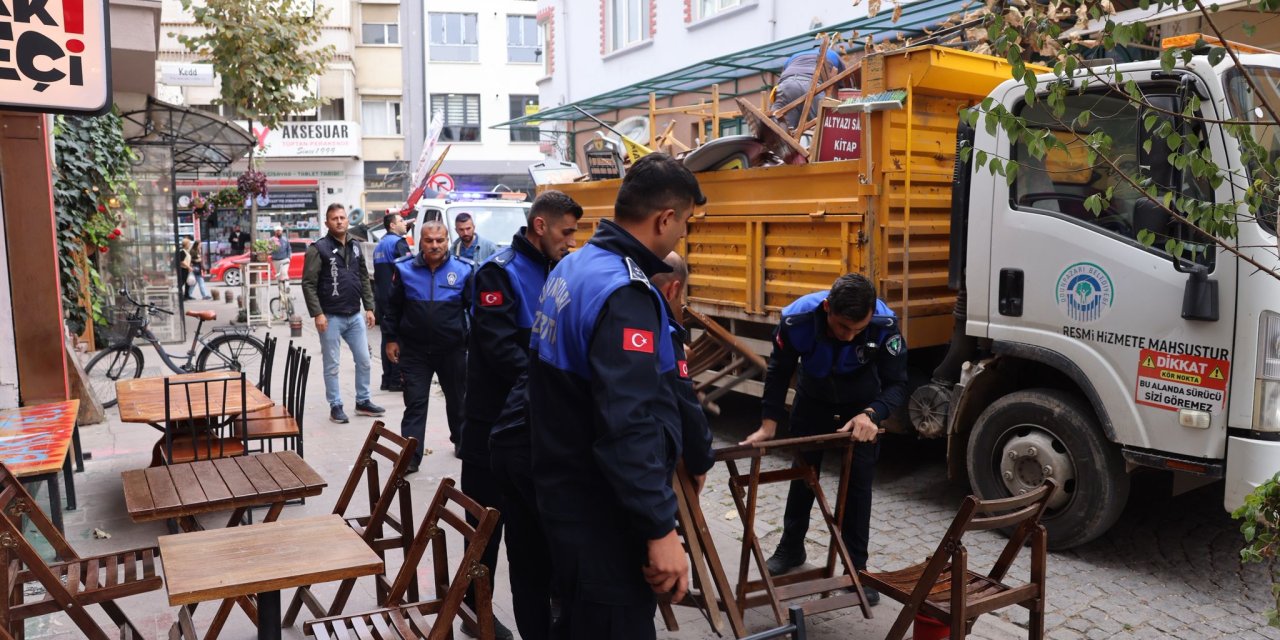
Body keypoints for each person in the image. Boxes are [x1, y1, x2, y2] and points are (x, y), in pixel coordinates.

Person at [527, 153, 704, 640]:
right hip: (601, 513)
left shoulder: (575, 265)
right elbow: (627, 423)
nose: (683, 233)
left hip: (566, 498)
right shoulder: (624, 292)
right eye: (685, 222)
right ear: (665, 218)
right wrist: (659, 529)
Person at [739, 273, 908, 606]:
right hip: (812, 401)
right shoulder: (797, 320)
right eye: (842, 327)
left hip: (859, 405)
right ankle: (790, 547)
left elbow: (897, 384)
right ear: (828, 308)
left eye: (858, 330)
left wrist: (872, 414)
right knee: (802, 475)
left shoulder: (885, 324)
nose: (848, 337)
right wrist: (768, 423)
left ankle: (855, 568)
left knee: (858, 487)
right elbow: (778, 369)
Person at [461, 190, 583, 640]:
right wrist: (552, 383)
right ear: (540, 226)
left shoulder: (562, 272)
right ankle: (477, 615)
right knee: (484, 532)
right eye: (566, 231)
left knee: (535, 534)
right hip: (491, 426)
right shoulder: (499, 272)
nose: (571, 241)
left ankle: (547, 611)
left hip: (535, 430)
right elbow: (498, 349)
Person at [384, 219, 473, 471]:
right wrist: (390, 339)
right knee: (415, 403)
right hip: (414, 352)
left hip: (453, 350)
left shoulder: (464, 270)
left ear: (447, 240)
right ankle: (410, 457)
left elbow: (474, 310)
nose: (435, 245)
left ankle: (462, 443)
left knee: (458, 400)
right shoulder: (404, 269)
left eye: (440, 240)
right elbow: (392, 308)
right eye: (429, 240)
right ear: (420, 242)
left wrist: (475, 344)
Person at [301, 204, 386, 424]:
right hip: (330, 317)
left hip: (354, 315)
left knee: (365, 360)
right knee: (332, 364)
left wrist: (369, 307)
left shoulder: (356, 246)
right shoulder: (318, 249)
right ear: (327, 223)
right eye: (334, 218)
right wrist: (317, 313)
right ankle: (336, 405)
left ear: (347, 220)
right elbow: (308, 284)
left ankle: (363, 401)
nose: (339, 221)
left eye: (342, 217)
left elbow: (364, 277)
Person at [373, 213, 411, 392]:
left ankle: (387, 379)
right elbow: (409, 268)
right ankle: (397, 379)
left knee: (387, 337)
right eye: (402, 221)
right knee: (399, 338)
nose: (405, 223)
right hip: (395, 298)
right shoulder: (398, 243)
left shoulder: (380, 245)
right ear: (393, 226)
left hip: (381, 297)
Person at [770, 47, 846, 129]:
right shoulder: (833, 54)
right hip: (812, 87)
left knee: (779, 128)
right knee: (827, 127)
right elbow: (844, 88)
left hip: (787, 86)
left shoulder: (794, 56)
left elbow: (783, 75)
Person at [176, 237, 193, 302]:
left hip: (186, 269)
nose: (189, 245)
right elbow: (181, 261)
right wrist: (188, 267)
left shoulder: (186, 251)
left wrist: (190, 265)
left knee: (187, 282)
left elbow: (186, 260)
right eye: (189, 243)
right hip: (183, 269)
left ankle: (186, 295)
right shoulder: (182, 251)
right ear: (186, 244)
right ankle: (180, 295)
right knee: (182, 282)